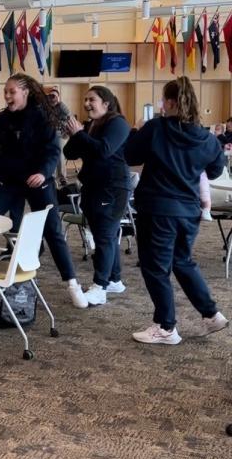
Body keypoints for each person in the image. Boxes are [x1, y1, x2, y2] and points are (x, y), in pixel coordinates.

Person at [0, 73, 87, 308]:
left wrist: (42, 172)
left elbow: (52, 151)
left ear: (25, 93)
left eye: (12, 91)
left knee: (53, 231)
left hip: (37, 181)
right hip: (9, 182)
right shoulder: (3, 120)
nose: (8, 96)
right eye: (6, 92)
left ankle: (72, 283)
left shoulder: (43, 117)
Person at [125, 76, 228, 345]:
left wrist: (137, 131)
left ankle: (166, 327)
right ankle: (211, 314)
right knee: (182, 262)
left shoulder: (156, 128)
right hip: (189, 211)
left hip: (158, 209)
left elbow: (129, 155)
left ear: (169, 102)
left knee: (155, 267)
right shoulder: (206, 137)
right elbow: (216, 169)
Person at [63, 86, 131, 307]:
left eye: (91, 99)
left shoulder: (117, 123)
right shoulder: (92, 124)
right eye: (85, 100)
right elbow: (69, 153)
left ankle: (99, 287)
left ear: (106, 103)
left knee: (103, 237)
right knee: (106, 236)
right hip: (93, 187)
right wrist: (77, 134)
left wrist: (81, 134)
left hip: (111, 188)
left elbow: (103, 150)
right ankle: (114, 280)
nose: (86, 104)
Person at [45, 86, 71, 187]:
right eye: (50, 96)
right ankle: (50, 176)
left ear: (58, 97)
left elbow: (70, 118)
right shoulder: (46, 107)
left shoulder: (61, 106)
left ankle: (62, 177)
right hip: (49, 134)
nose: (52, 98)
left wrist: (59, 122)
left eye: (53, 96)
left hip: (60, 134)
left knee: (59, 152)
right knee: (46, 152)